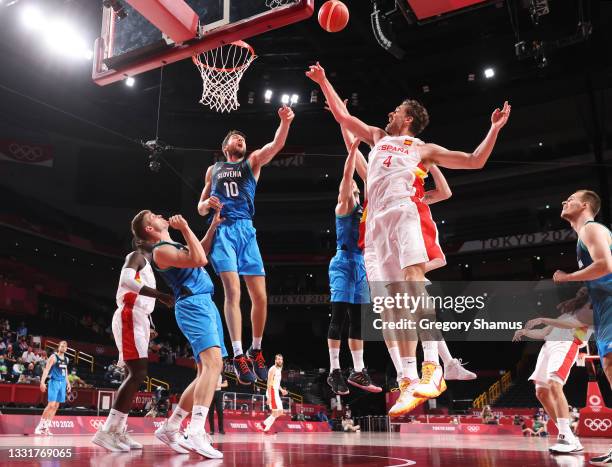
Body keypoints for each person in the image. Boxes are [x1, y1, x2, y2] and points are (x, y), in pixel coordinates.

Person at [307, 61, 510, 417]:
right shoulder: (376, 137)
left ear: (408, 119)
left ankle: (433, 368)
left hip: (403, 212)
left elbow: (475, 161)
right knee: (387, 311)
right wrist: (324, 80)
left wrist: (493, 129)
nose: (389, 112)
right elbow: (341, 115)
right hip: (373, 230)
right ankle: (407, 380)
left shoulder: (421, 148)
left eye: (396, 110)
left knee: (415, 286)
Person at [197, 106, 295, 384]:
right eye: (235, 138)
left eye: (243, 138)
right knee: (232, 291)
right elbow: (201, 208)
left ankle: (256, 349)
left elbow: (276, 145)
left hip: (246, 231)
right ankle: (238, 355)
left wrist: (285, 122)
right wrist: (207, 204)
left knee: (261, 297)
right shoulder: (212, 170)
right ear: (225, 146)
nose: (240, 140)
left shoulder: (251, 162)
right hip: (223, 230)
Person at [130, 210, 226, 459]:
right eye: (152, 216)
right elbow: (200, 260)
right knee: (212, 365)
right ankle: (195, 430)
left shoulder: (170, 244)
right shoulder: (160, 251)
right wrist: (185, 228)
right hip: (193, 304)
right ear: (149, 229)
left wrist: (213, 226)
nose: (159, 214)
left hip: (205, 302)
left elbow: (198, 250)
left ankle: (171, 426)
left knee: (208, 372)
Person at [554, 190, 612, 465]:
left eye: (571, 198)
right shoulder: (582, 236)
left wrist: (568, 278)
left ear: (586, 205)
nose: (565, 201)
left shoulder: (592, 229)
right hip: (603, 311)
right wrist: (578, 298)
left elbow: (605, 265)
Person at [326, 132, 381, 395]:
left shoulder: (364, 207)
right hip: (343, 262)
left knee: (359, 321)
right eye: (352, 191)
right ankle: (334, 370)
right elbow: (349, 179)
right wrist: (351, 152)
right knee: (339, 317)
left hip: (361, 264)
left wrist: (349, 129)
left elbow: (369, 179)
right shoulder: (344, 205)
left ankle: (358, 370)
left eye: (358, 191)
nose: (355, 193)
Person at [516, 287, 593, 453]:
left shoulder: (591, 311)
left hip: (566, 345)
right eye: (578, 292)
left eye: (583, 293)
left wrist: (544, 319)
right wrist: (526, 332)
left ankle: (565, 438)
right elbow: (544, 332)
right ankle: (568, 436)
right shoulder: (565, 314)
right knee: (541, 392)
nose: (579, 294)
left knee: (554, 385)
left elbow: (572, 325)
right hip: (548, 347)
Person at [35, 341, 70, 435]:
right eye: (61, 346)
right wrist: (42, 382)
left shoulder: (67, 359)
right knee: (50, 405)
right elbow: (46, 370)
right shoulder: (53, 357)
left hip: (62, 383)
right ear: (58, 347)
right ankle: (40, 426)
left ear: (66, 348)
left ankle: (46, 427)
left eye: (65, 347)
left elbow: (65, 372)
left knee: (56, 406)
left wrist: (68, 383)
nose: (63, 348)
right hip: (54, 382)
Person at [257, 354, 288, 433]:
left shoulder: (279, 369)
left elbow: (277, 383)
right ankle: (266, 429)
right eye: (278, 359)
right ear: (275, 360)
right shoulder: (272, 369)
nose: (280, 360)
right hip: (272, 392)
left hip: (276, 392)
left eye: (281, 359)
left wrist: (281, 390)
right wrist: (270, 397)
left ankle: (262, 424)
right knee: (274, 412)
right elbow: (269, 384)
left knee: (280, 412)